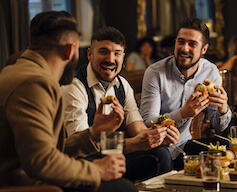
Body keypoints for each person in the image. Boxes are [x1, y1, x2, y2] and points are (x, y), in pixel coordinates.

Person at [0, 11, 138, 192]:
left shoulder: (18, 70)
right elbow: (41, 162)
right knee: (124, 188)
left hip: (29, 176)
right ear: (70, 50)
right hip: (22, 183)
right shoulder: (35, 83)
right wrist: (97, 170)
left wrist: (94, 132)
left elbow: (51, 151)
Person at [61, 26, 180, 181]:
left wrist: (156, 138)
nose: (110, 59)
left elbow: (139, 131)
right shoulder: (74, 87)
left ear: (123, 57)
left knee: (161, 154)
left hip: (113, 156)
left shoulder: (123, 85)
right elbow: (80, 146)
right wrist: (136, 144)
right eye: (103, 51)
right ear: (90, 54)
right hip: (84, 162)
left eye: (117, 53)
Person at [140, 17, 232, 170]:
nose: (184, 48)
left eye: (192, 44)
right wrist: (182, 114)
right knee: (162, 157)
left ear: (204, 49)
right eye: (181, 42)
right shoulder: (155, 72)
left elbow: (218, 126)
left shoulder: (210, 71)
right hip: (159, 147)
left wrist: (223, 109)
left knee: (226, 148)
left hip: (185, 145)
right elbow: (147, 123)